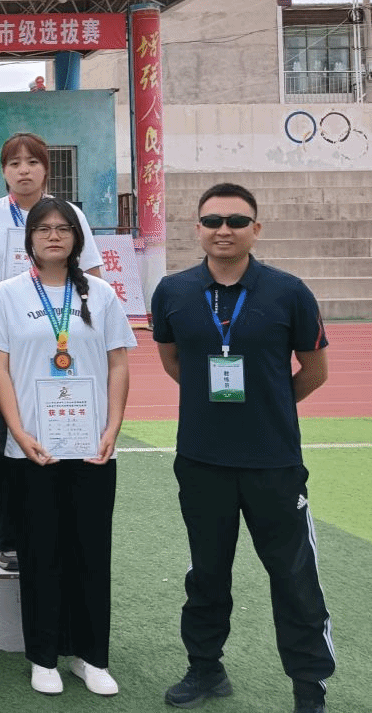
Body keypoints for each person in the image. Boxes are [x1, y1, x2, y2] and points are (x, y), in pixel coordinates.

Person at [152, 183, 334, 713]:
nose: (223, 230)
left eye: (236, 221)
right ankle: (205, 669)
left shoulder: (289, 292)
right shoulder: (173, 291)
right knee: (207, 574)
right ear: (198, 229)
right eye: (212, 221)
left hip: (273, 463)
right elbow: (173, 362)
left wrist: (267, 404)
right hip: (201, 460)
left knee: (294, 578)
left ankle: (308, 687)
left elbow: (315, 370)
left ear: (256, 228)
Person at [0, 197, 133, 697]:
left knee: (91, 552)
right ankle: (43, 656)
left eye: (63, 228)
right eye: (43, 228)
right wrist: (18, 431)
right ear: (29, 239)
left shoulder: (102, 295)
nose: (53, 236)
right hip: (32, 448)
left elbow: (118, 363)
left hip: (91, 447)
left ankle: (91, 657)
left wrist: (112, 428)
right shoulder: (5, 295)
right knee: (40, 552)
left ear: (76, 238)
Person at [0, 132, 102, 573]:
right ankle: (9, 539)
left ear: (46, 168)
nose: (23, 170)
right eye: (14, 163)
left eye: (33, 162)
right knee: (2, 441)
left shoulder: (70, 214)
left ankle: (63, 529)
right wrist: (12, 315)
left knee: (66, 432)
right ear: (3, 172)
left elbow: (93, 277)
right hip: (9, 347)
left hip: (61, 345)